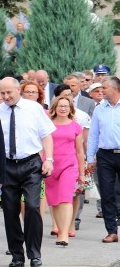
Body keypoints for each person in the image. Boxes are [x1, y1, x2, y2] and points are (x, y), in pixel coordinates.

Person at [0, 77, 55, 267]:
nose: (5, 96)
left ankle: (34, 252)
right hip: (7, 166)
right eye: (2, 93)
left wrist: (49, 160)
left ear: (18, 90)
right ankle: (17, 255)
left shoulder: (33, 108)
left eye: (9, 92)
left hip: (31, 163)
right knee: (10, 210)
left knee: (32, 206)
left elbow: (46, 135)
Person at [44, 96, 84, 247]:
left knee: (66, 198)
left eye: (66, 106)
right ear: (55, 107)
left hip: (69, 165)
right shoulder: (48, 125)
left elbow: (80, 152)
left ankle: (64, 234)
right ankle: (60, 229)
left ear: (70, 108)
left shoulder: (75, 126)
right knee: (54, 201)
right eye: (60, 106)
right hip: (51, 166)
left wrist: (81, 172)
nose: (63, 108)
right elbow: (42, 146)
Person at [86, 76, 120, 243]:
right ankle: (111, 231)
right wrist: (90, 158)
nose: (101, 91)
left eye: (104, 88)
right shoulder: (100, 109)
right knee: (106, 193)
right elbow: (93, 135)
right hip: (105, 155)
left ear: (115, 89)